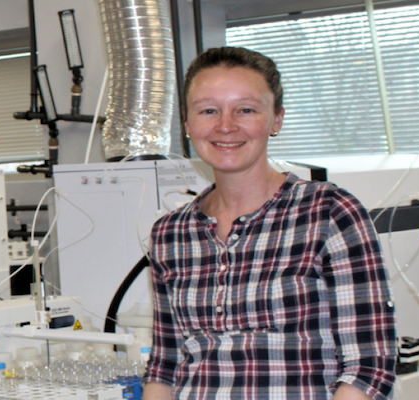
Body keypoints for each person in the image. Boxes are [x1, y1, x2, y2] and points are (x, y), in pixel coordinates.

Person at [143, 47, 397, 399]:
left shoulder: (329, 212)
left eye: (245, 110)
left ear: (276, 119)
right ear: (187, 123)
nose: (226, 125)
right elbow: (164, 364)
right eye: (208, 110)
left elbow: (370, 368)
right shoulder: (170, 233)